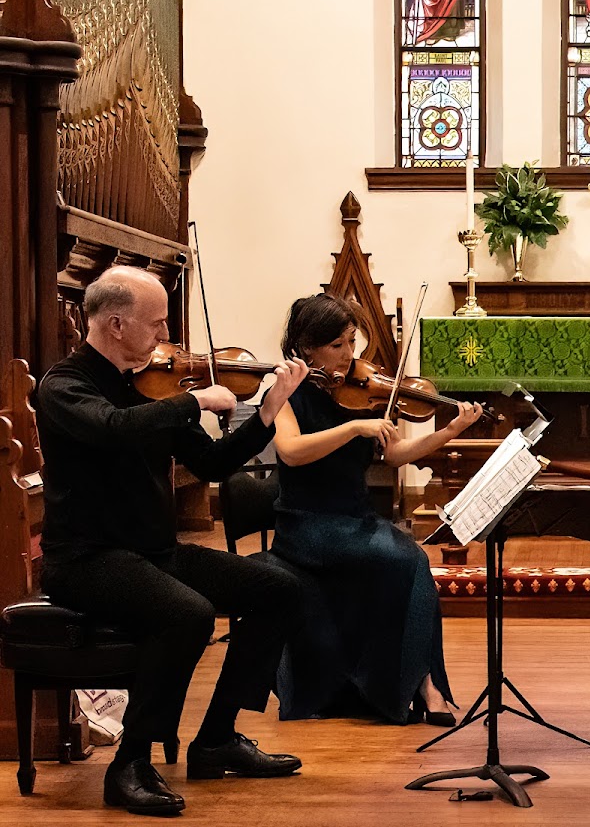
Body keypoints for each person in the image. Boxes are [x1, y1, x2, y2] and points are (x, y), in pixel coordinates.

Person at [35, 266, 309, 816]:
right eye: (156, 324)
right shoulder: (64, 385)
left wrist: (270, 410)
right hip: (87, 558)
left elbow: (210, 463)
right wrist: (197, 403)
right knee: (188, 613)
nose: (166, 335)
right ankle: (130, 763)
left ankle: (216, 740)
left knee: (280, 588)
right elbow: (111, 426)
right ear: (115, 323)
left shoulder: (155, 383)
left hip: (153, 552)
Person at [267, 293, 482, 725]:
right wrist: (352, 428)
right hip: (307, 524)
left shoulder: (362, 393)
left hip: (355, 518)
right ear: (306, 348)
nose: (349, 356)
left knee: (410, 561)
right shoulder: (285, 392)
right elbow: (290, 451)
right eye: (337, 346)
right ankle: (425, 685)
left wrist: (451, 429)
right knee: (409, 560)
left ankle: (417, 681)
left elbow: (398, 454)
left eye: (352, 342)